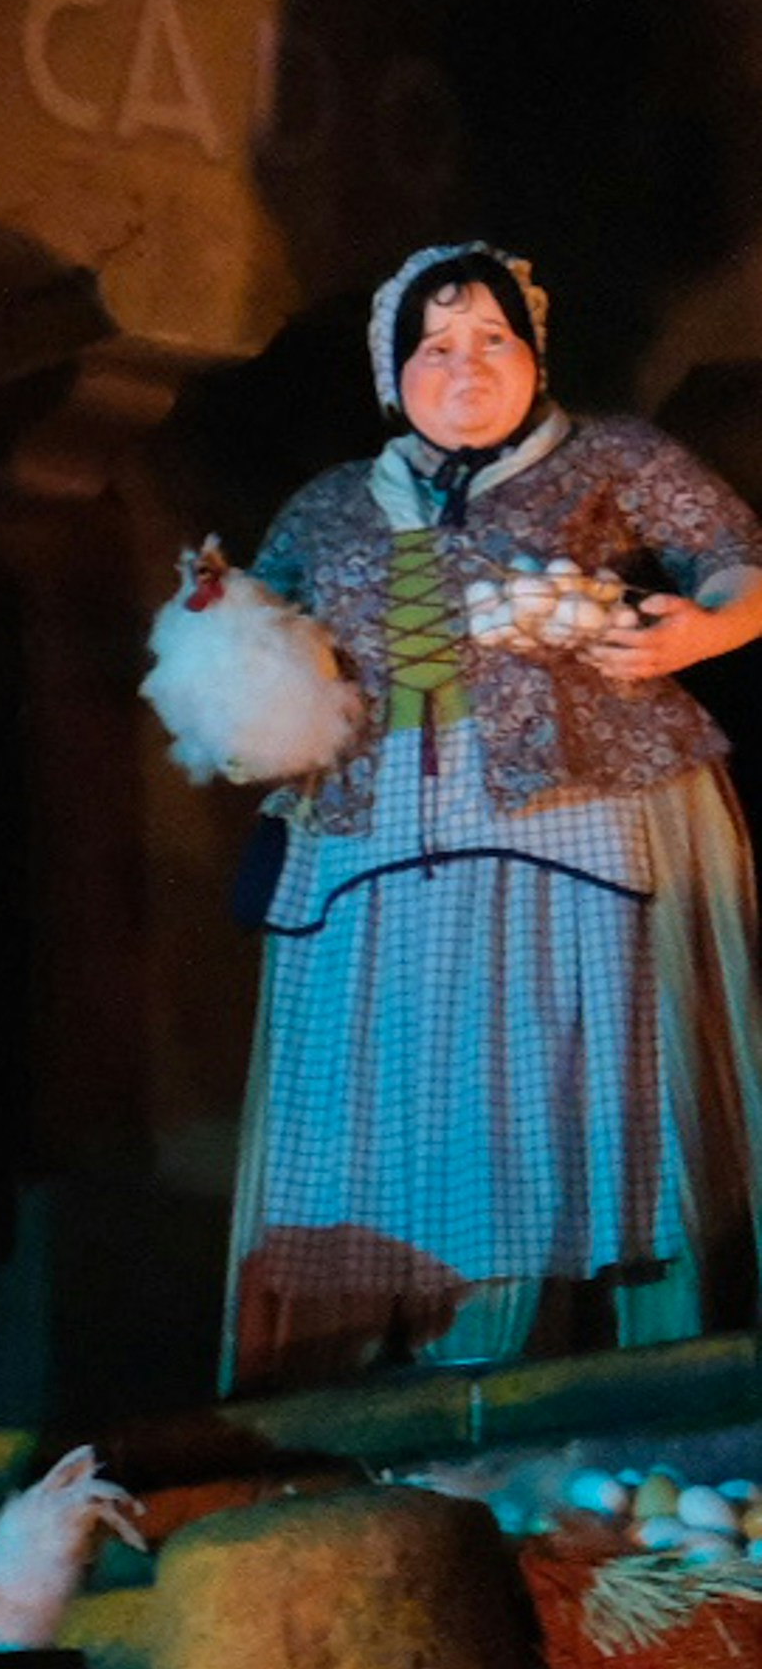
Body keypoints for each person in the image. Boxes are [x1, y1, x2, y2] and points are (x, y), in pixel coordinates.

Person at [223, 242, 762, 1389]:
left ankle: (603, 1373)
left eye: (490, 339)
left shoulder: (610, 456)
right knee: (401, 1108)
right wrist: (234, 654)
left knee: (563, 1095)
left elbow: (737, 561)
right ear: (391, 373)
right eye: (432, 347)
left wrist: (699, 630)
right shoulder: (328, 508)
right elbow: (244, 642)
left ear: (531, 353)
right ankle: (395, 1376)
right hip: (377, 848)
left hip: (572, 820)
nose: (463, 365)